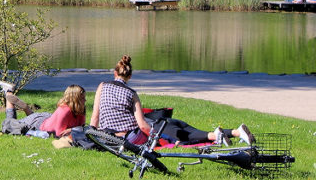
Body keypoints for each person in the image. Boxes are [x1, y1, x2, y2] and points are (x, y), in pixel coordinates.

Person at [90, 55, 255, 146]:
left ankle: (231, 133)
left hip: (121, 133)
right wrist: (164, 140)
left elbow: (95, 119)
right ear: (130, 76)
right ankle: (226, 133)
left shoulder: (102, 86)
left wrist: (91, 137)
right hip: (132, 134)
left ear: (114, 73)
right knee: (176, 128)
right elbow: (142, 126)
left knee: (175, 126)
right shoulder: (132, 93)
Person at [0, 81, 86, 139]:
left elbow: (82, 127)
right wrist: (75, 130)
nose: (85, 100)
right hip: (38, 123)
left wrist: (71, 130)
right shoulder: (64, 111)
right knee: (10, 123)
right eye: (82, 98)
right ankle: (8, 92)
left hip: (46, 119)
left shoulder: (81, 109)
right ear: (75, 99)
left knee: (24, 120)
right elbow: (58, 134)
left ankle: (25, 108)